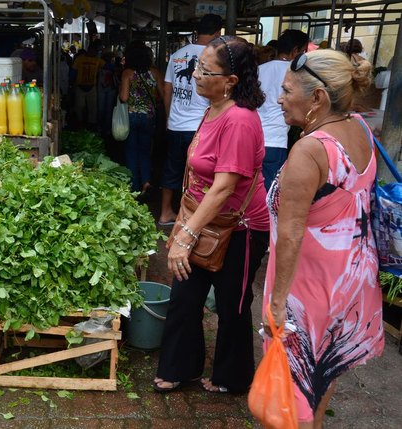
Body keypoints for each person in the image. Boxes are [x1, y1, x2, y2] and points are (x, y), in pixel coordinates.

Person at [262, 49, 383, 428]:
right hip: (351, 282)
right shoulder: (360, 128)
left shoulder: (311, 149)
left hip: (308, 289)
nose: (278, 99)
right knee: (320, 380)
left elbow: (294, 231)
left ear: (317, 98)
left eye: (286, 91)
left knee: (285, 398)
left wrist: (278, 304)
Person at [153, 36, 270, 394]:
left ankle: (232, 377)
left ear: (230, 81)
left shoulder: (238, 120)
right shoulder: (212, 108)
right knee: (185, 296)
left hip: (240, 228)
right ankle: (180, 367)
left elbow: (223, 188)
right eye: (197, 67)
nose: (196, 75)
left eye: (205, 70)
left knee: (232, 305)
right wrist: (187, 225)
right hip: (205, 219)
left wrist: (185, 235)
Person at [157, 14, 222, 226]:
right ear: (217, 33)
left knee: (172, 168)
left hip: (176, 124)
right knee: (199, 173)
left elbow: (167, 89)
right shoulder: (212, 57)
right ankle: (193, 217)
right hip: (199, 127)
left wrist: (169, 118)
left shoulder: (176, 55)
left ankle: (165, 212)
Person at [257, 29, 309, 190]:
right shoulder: (295, 73)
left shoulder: (259, 69)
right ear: (295, 51)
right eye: (303, 51)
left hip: (254, 137)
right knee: (271, 189)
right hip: (275, 139)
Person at [119, 41, 164, 194]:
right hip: (149, 116)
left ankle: (134, 187)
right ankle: (146, 182)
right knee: (145, 151)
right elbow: (163, 95)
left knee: (131, 151)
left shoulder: (127, 73)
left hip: (131, 115)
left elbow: (124, 97)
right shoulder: (155, 72)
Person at [71, 40, 104, 129]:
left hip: (92, 86)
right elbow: (73, 72)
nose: (94, 53)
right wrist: (71, 83)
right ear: (89, 50)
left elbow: (106, 66)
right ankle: (80, 123)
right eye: (94, 51)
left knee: (92, 107)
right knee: (79, 107)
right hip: (80, 86)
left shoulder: (98, 60)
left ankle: (91, 125)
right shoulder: (79, 59)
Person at [97, 49, 118, 137]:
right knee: (102, 109)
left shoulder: (112, 66)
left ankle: (106, 128)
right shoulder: (100, 64)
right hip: (103, 88)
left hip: (110, 88)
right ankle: (102, 127)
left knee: (107, 109)